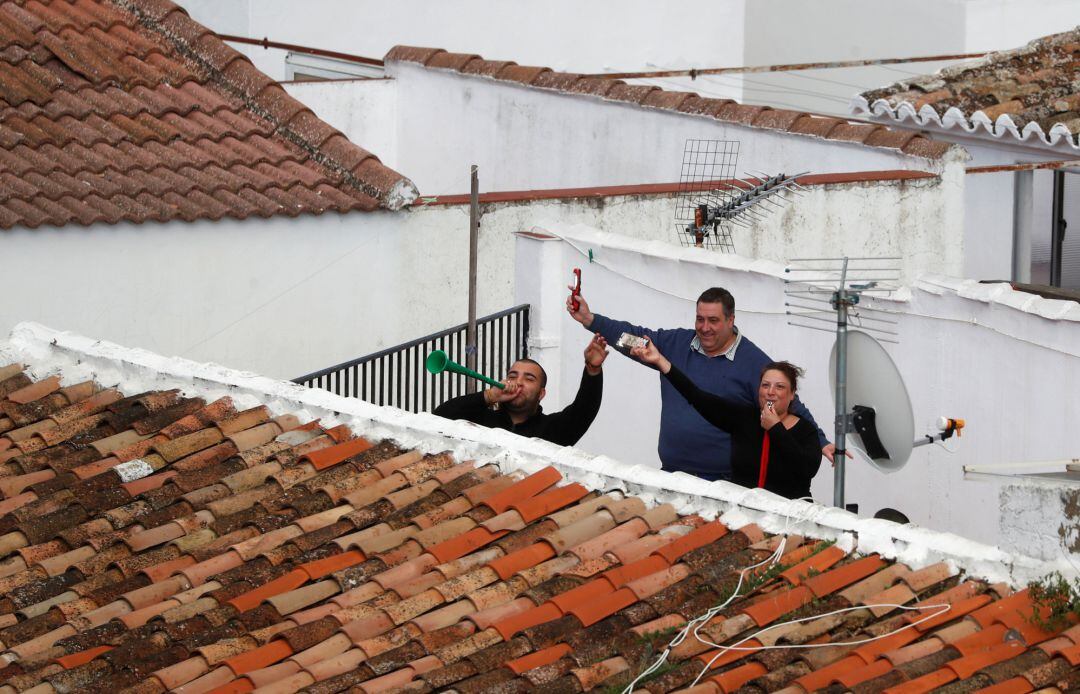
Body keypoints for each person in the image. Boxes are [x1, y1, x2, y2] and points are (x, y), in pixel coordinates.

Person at [568, 286, 840, 481]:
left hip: (724, 482)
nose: (705, 327)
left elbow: (787, 401)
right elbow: (632, 339)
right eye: (700, 319)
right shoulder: (674, 344)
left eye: (713, 320)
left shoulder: (754, 362)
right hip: (672, 474)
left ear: (731, 320)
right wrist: (591, 320)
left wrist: (820, 440)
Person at [631, 338, 821, 499]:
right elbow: (697, 397)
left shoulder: (805, 431)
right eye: (765, 385)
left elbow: (806, 468)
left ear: (792, 394)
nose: (771, 392)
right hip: (745, 516)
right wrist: (661, 362)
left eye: (779, 387)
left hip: (789, 522)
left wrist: (776, 428)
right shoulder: (744, 417)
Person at [433, 334, 608, 446]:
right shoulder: (482, 417)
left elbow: (584, 410)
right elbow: (440, 416)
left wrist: (592, 370)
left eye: (529, 378)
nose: (518, 382)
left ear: (541, 394)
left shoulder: (553, 429)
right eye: (513, 376)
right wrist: (488, 396)